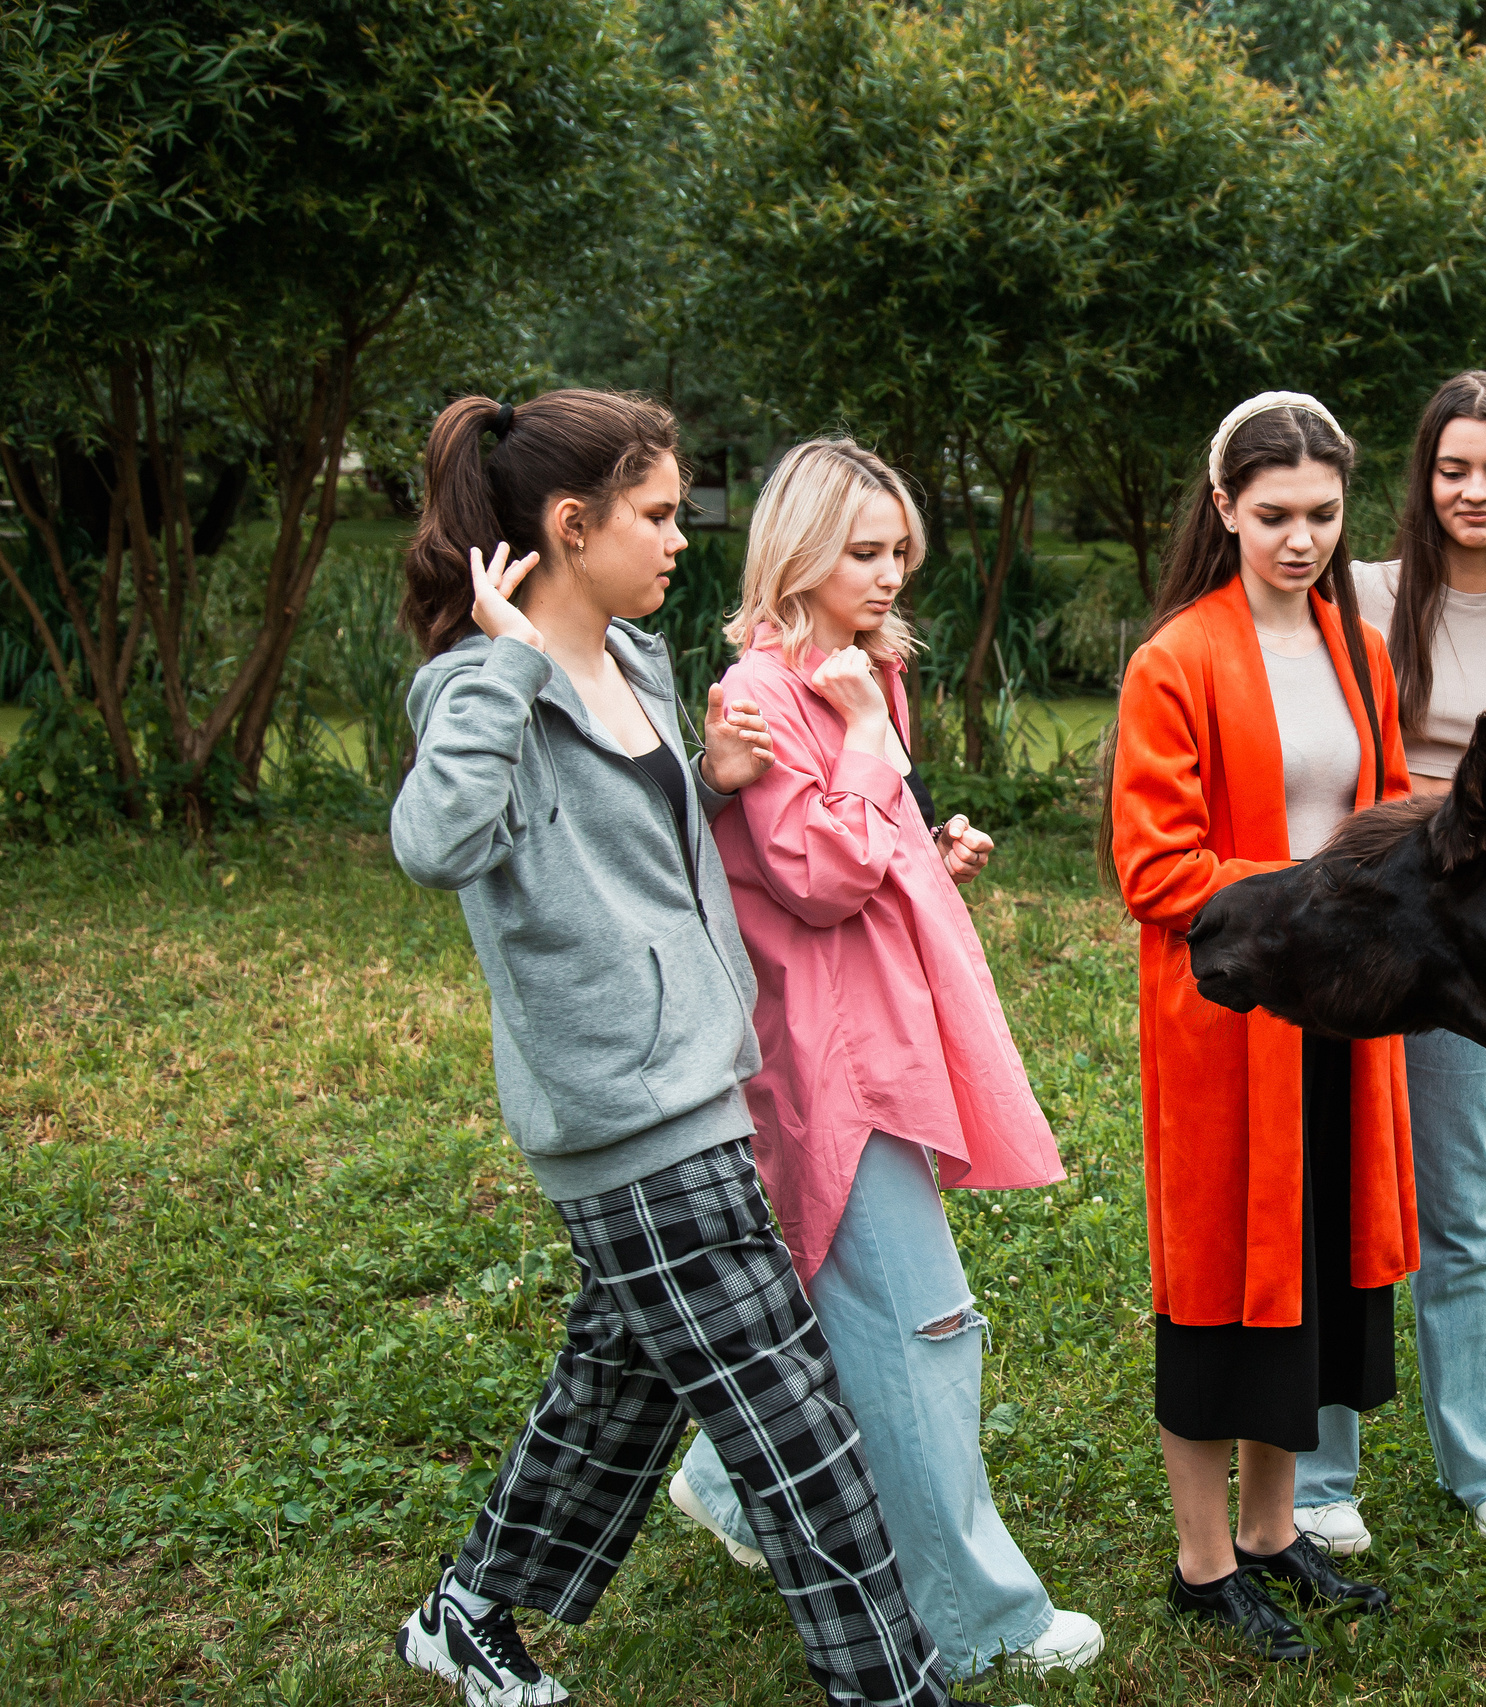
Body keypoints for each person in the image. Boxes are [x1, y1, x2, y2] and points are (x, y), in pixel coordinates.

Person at [387, 390, 977, 1707]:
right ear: (569, 523)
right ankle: (894, 1686)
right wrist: (502, 661)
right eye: (655, 514)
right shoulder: (481, 688)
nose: (676, 537)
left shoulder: (641, 660)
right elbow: (438, 845)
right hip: (623, 1113)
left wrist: (707, 775)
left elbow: (633, 849)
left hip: (706, 1077)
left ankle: (469, 1607)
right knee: (797, 1425)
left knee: (627, 1376)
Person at [654, 437, 1104, 1682]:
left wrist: (923, 851)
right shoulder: (767, 690)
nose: (891, 571)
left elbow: (860, 859)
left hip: (878, 1029)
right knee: (923, 1325)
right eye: (863, 549)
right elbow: (813, 878)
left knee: (831, 1301)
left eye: (900, 547)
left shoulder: (859, 674)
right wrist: (862, 740)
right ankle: (975, 1622)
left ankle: (733, 1490)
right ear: (798, 553)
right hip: (825, 1056)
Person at [1109, 392, 1420, 1661]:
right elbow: (1153, 867)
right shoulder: (1174, 659)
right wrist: (1306, 904)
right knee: (1220, 1289)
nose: (1301, 538)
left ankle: (1275, 1533)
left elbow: (1387, 806)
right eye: (1275, 514)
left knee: (1307, 1284)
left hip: (1339, 1013)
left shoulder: (1358, 646)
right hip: (1231, 1020)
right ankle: (1198, 1562)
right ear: (1226, 508)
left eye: (1325, 515)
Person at [1295, 370, 1486, 1554]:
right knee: (1338, 1197)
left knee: (1457, 1209)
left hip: (1469, 960)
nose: (1476, 491)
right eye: (1455, 468)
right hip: (1361, 932)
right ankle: (1322, 1480)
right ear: (1424, 479)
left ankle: (1483, 1463)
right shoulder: (1361, 594)